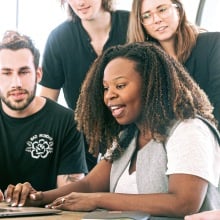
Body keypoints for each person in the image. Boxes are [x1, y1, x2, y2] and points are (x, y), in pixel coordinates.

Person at [4, 42, 220, 217]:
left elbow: (184, 203)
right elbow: (88, 185)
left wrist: (98, 199)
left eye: (120, 85)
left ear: (151, 84)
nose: (109, 96)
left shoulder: (189, 129)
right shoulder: (128, 136)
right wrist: (39, 197)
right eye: (106, 88)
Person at [39, 0, 130, 170]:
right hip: (85, 143)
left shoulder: (132, 25)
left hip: (135, 134)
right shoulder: (59, 38)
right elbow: (46, 104)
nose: (80, 2)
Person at [0, 30, 88, 202]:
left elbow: (73, 196)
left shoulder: (67, 121)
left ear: (38, 74)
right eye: (6, 73)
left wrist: (36, 197)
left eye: (24, 72)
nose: (16, 83)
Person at [127, 0, 220, 128]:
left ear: (178, 10)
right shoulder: (143, 66)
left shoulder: (213, 44)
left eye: (162, 10)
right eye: (147, 16)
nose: (156, 19)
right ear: (141, 23)